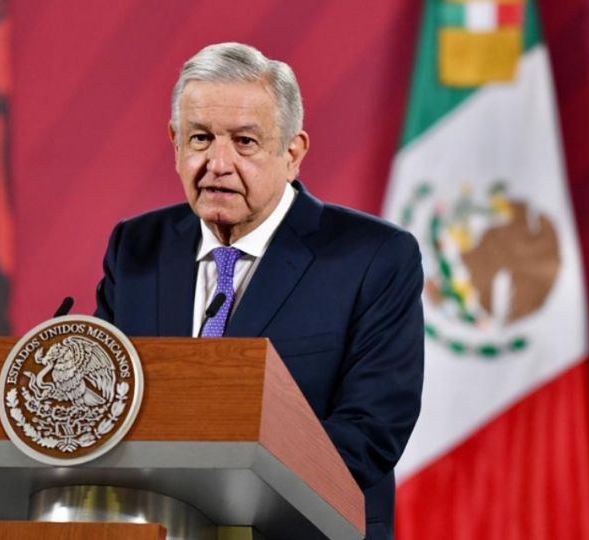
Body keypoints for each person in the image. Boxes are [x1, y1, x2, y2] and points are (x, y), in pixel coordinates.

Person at [94, 42, 423, 540]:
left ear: (292, 153)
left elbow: (371, 431)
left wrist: (212, 493)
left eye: (244, 142)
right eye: (200, 138)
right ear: (175, 143)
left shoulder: (373, 257)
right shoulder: (136, 248)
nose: (218, 163)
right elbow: (105, 407)